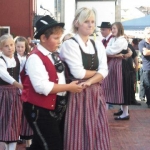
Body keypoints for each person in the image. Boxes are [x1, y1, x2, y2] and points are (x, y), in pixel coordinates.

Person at [20, 15, 83, 150]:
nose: (59, 42)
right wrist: (69, 87)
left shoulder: (53, 54)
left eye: (59, 38)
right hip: (39, 109)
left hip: (53, 107)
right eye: (56, 38)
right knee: (53, 145)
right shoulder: (35, 58)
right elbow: (42, 87)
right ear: (43, 38)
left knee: (40, 145)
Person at [60, 7, 110, 150]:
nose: (90, 25)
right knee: (78, 133)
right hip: (78, 93)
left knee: (98, 131)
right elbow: (78, 73)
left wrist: (90, 80)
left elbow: (105, 70)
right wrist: (97, 73)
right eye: (86, 21)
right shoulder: (70, 44)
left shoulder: (97, 44)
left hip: (95, 93)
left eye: (93, 22)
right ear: (77, 23)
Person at [102, 22, 131, 120]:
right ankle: (123, 111)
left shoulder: (121, 40)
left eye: (114, 28)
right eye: (112, 28)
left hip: (120, 66)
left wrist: (106, 51)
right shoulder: (114, 39)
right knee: (115, 87)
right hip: (114, 65)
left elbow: (110, 50)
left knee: (121, 87)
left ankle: (125, 112)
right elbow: (108, 50)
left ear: (119, 29)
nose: (113, 30)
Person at [0, 34, 23, 150]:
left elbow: (20, 75)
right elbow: (4, 75)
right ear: (1, 48)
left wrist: (20, 89)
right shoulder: (1, 60)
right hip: (3, 94)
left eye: (11, 45)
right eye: (6, 46)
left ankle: (12, 147)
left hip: (15, 94)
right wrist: (18, 85)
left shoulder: (17, 59)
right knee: (3, 120)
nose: (10, 48)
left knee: (15, 120)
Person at [15, 36, 33, 149]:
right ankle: (16, 134)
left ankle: (28, 139)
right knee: (17, 113)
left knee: (26, 114)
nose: (20, 49)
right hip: (16, 87)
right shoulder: (13, 58)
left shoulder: (29, 57)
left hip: (26, 88)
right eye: (18, 46)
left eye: (22, 46)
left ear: (25, 47)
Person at [138, 27, 150, 108]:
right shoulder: (141, 43)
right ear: (145, 34)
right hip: (146, 68)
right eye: (148, 33)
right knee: (148, 86)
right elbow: (145, 52)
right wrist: (147, 51)